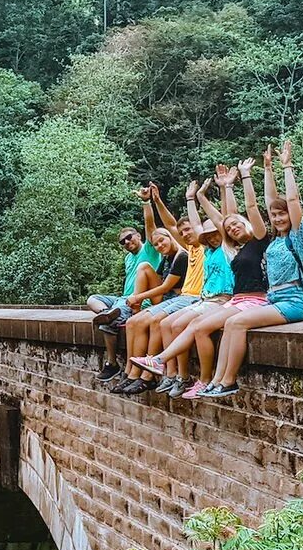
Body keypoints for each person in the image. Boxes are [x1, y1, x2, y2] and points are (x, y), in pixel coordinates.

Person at [131, 158, 269, 399]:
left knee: (194, 327)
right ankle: (166, 366)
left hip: (228, 299)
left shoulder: (248, 244)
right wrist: (196, 198)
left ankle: (197, 377)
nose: (229, 229)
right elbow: (203, 224)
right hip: (226, 300)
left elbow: (233, 214)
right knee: (181, 325)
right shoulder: (222, 248)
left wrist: (229, 186)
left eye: (234, 226)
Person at [200, 140, 303, 399]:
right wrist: (264, 170)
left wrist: (286, 166)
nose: (278, 218)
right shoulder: (273, 239)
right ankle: (217, 381)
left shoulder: (297, 236)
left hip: (294, 301)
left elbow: (293, 200)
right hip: (274, 300)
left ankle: (229, 380)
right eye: (274, 216)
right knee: (230, 322)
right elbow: (261, 204)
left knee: (238, 322)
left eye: (282, 215)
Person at [113, 183, 207, 395]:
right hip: (175, 298)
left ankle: (149, 375)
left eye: (162, 240)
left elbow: (169, 226)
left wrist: (156, 201)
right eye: (155, 244)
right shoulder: (168, 257)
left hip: (188, 298)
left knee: (157, 322)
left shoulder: (189, 250)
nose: (159, 245)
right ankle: (131, 372)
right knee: (133, 322)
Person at [87, 186, 163, 380]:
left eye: (129, 238)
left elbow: (150, 225)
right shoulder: (128, 259)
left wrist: (146, 202)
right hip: (122, 299)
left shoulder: (149, 251)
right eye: (123, 242)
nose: (127, 242)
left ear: (138, 236)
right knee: (92, 298)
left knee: (107, 326)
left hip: (138, 301)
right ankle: (106, 313)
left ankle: (112, 364)